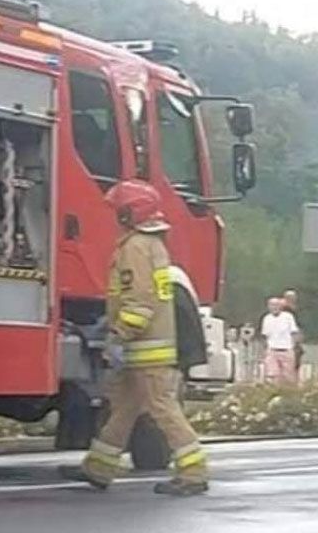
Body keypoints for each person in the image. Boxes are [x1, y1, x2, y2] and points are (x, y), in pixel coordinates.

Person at [59, 180, 207, 496]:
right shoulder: (151, 245)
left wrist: (118, 335)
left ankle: (193, 473)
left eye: (120, 210)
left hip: (145, 349)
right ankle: (98, 468)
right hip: (144, 347)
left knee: (162, 408)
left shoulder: (137, 248)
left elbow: (140, 301)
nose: (116, 216)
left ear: (130, 213)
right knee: (123, 408)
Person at [260, 296, 299, 384]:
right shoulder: (266, 318)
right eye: (272, 305)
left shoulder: (288, 317)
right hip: (272, 350)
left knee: (288, 378)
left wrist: (293, 347)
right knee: (272, 376)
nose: (274, 307)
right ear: (268, 306)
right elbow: (265, 336)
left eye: (276, 305)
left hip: (286, 350)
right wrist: (265, 351)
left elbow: (294, 332)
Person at [282, 289, 305, 376]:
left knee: (296, 363)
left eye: (293, 298)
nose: (291, 300)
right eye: (289, 298)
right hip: (286, 342)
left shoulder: (296, 311)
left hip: (295, 342)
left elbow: (299, 326)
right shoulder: (284, 311)